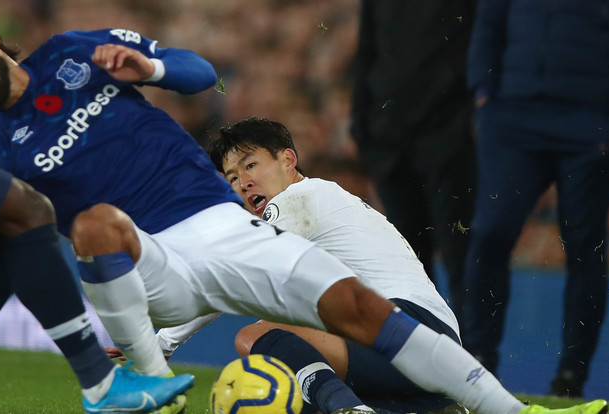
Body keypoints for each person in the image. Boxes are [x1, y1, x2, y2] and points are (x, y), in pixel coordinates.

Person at [0, 3, 608, 414]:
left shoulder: (75, 51)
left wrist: (147, 69)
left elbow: (200, 73)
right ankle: (144, 384)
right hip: (147, 255)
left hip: (223, 231)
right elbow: (3, 238)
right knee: (94, 224)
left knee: (361, 310)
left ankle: (509, 412)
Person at [0, 2, 193, 413]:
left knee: (8, 228)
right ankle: (100, 384)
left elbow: (199, 73)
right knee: (29, 210)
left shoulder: (67, 58)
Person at [157, 116, 468, 414]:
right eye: (233, 178)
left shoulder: (300, 197)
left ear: (288, 160)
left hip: (409, 325)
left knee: (257, 337)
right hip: (433, 346)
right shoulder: (324, 203)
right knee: (297, 391)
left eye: (251, 165)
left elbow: (235, 275)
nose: (245, 182)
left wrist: (164, 341)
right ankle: (425, 408)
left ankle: (349, 409)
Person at [463, 0, 609, 398]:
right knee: (490, 232)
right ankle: (477, 363)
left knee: (586, 247)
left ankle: (571, 377)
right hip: (513, 118)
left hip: (590, 123)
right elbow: (489, 23)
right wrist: (483, 93)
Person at [350, 0, 476, 315]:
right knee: (407, 260)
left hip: (446, 137)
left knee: (458, 253)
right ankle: (420, 354)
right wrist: (362, 129)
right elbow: (367, 53)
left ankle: (470, 356)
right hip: (389, 142)